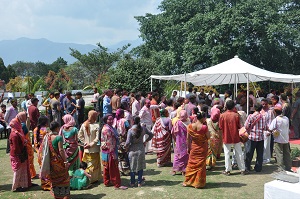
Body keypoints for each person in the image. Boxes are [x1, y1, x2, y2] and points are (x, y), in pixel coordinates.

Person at [40, 121, 70, 199]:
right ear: (57, 128)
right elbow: (61, 150)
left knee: (54, 178)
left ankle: (57, 195)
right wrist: (65, 161)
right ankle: (64, 195)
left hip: (52, 162)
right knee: (64, 176)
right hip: (59, 161)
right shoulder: (58, 137)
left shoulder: (48, 136)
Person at [183, 111, 209, 188]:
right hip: (202, 148)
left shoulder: (190, 126)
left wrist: (188, 147)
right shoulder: (204, 127)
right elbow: (208, 137)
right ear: (203, 118)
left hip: (193, 147)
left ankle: (187, 181)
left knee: (192, 164)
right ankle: (198, 183)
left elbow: (188, 139)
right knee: (201, 165)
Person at [219, 100, 246, 175]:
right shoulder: (236, 115)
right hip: (235, 136)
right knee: (239, 153)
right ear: (233, 107)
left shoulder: (222, 115)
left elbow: (220, 127)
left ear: (226, 106)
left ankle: (228, 170)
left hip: (226, 136)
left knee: (227, 153)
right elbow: (239, 126)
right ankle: (242, 169)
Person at [101, 114, 127, 190]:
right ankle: (117, 184)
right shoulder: (107, 129)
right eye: (109, 119)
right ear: (106, 120)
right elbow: (109, 142)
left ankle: (107, 181)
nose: (111, 121)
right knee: (114, 168)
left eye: (112, 119)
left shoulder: (109, 127)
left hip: (106, 150)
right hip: (110, 150)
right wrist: (113, 154)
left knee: (107, 167)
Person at [125, 116, 153, 187]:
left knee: (132, 166)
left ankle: (132, 182)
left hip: (132, 149)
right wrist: (145, 141)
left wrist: (125, 147)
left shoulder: (130, 130)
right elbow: (151, 134)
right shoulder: (143, 128)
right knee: (140, 166)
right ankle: (139, 182)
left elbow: (128, 142)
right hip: (141, 148)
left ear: (133, 121)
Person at [9, 112, 33, 192]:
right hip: (18, 154)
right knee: (18, 171)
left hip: (21, 153)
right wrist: (20, 155)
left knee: (22, 170)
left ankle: (23, 184)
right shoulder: (15, 134)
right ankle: (16, 186)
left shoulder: (18, 131)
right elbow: (15, 148)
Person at [78, 110, 102, 184]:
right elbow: (97, 138)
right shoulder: (96, 126)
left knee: (87, 164)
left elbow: (79, 136)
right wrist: (91, 144)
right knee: (94, 165)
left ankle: (87, 178)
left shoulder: (84, 124)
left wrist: (85, 143)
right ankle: (92, 179)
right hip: (94, 149)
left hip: (86, 149)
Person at [268, 104, 292, 171]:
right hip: (286, 138)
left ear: (275, 112)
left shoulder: (276, 120)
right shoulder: (286, 118)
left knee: (279, 154)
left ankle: (281, 168)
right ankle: (288, 166)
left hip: (278, 139)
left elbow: (270, 129)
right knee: (286, 153)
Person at [244, 103, 267, 172]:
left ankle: (247, 167)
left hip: (252, 137)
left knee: (249, 153)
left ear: (254, 108)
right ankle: (258, 168)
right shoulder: (263, 117)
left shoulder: (251, 116)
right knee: (260, 154)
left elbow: (246, 126)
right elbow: (265, 127)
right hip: (260, 137)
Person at [34, 116, 52, 190]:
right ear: (45, 122)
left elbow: (35, 142)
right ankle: (48, 184)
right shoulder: (46, 130)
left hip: (39, 152)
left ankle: (43, 184)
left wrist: (38, 151)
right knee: (47, 167)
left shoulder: (35, 130)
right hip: (46, 151)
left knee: (42, 167)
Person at [171, 110, 190, 175]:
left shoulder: (178, 123)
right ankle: (181, 170)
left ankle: (179, 170)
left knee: (179, 155)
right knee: (182, 155)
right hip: (184, 142)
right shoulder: (184, 122)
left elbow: (173, 132)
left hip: (180, 142)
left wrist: (175, 139)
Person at [113, 109, 130, 175]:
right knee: (125, 154)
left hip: (117, 139)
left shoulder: (114, 120)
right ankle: (125, 170)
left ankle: (120, 170)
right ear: (122, 114)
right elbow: (128, 128)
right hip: (124, 139)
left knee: (119, 155)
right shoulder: (124, 121)